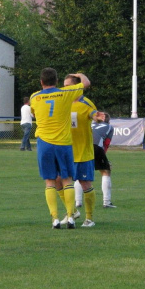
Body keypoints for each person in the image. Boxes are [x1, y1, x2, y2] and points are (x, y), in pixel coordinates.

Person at [29, 68, 90, 229]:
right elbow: (86, 83)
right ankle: (70, 216)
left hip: (44, 143)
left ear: (41, 82)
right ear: (57, 81)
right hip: (63, 142)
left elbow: (34, 113)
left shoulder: (34, 97)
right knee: (67, 179)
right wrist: (78, 74)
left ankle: (55, 219)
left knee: (49, 181)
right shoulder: (65, 93)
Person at [58, 74, 105, 228]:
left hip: (82, 152)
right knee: (58, 180)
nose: (65, 89)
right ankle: (71, 211)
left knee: (85, 184)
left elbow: (94, 114)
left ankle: (89, 218)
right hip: (66, 150)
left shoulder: (86, 103)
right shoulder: (63, 101)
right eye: (64, 86)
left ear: (76, 87)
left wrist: (97, 117)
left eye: (68, 86)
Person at [90, 113, 116, 208]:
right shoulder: (109, 126)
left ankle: (78, 202)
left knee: (82, 173)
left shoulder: (90, 124)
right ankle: (106, 202)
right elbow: (106, 144)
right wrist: (104, 159)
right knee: (106, 171)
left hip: (82, 147)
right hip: (96, 147)